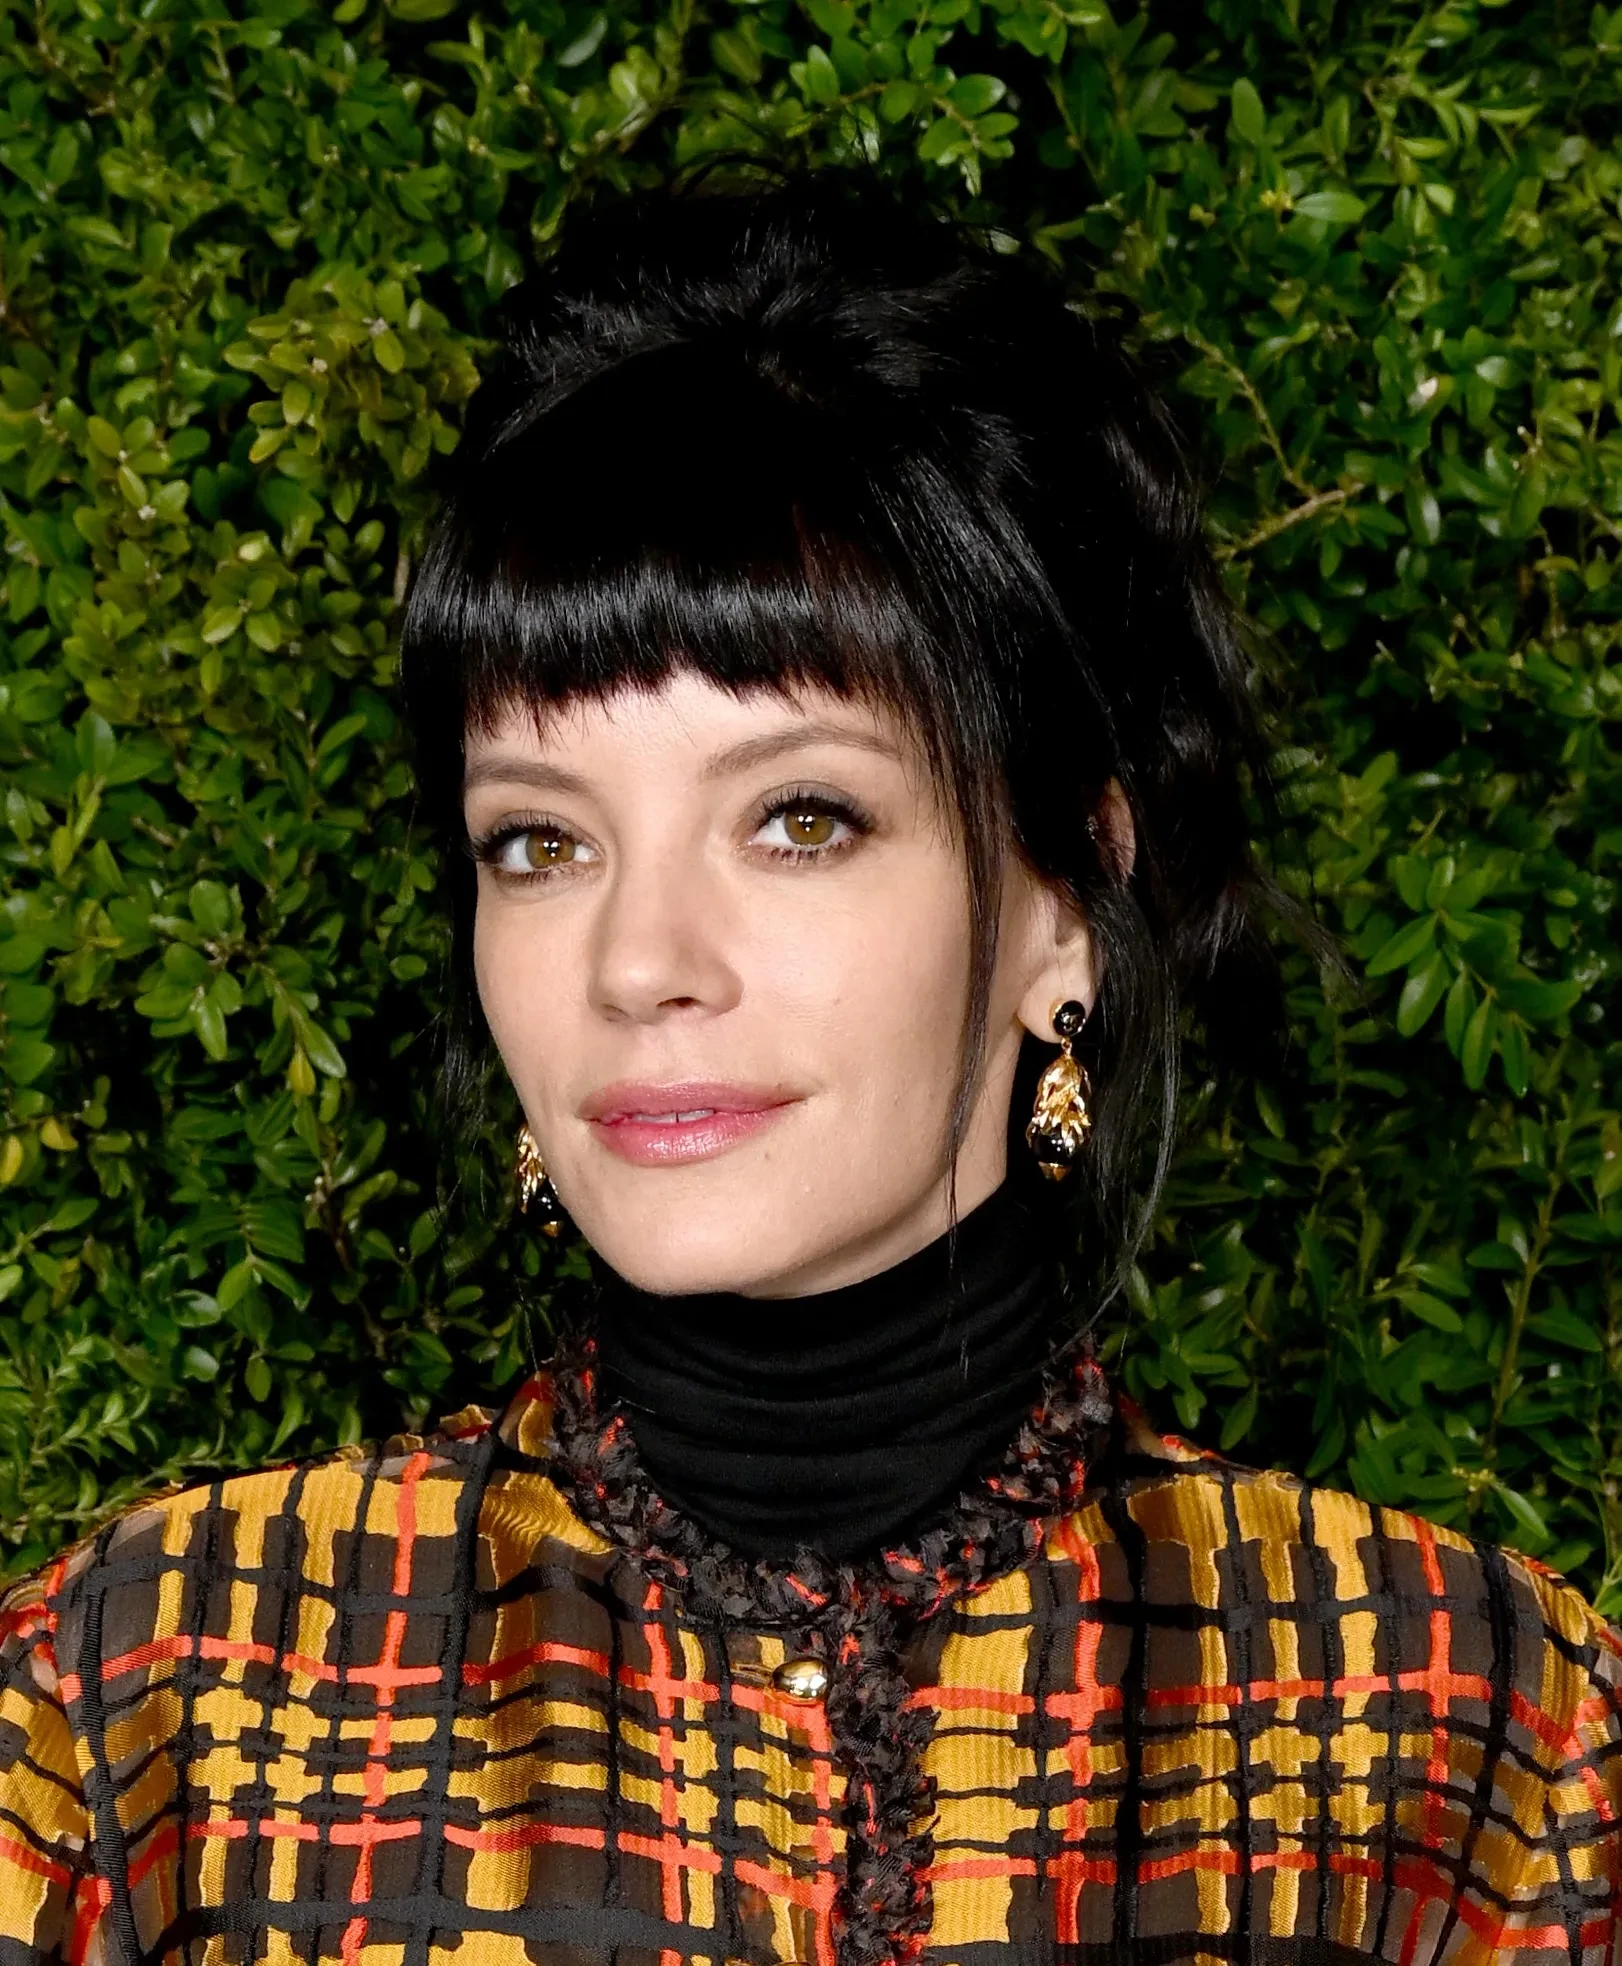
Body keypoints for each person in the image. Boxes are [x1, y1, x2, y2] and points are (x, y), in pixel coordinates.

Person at [0, 180, 1616, 1966]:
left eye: (797, 818)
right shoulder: (156, 1699)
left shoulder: (1456, 1731)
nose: (636, 962)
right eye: (540, 842)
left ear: (1064, 898)